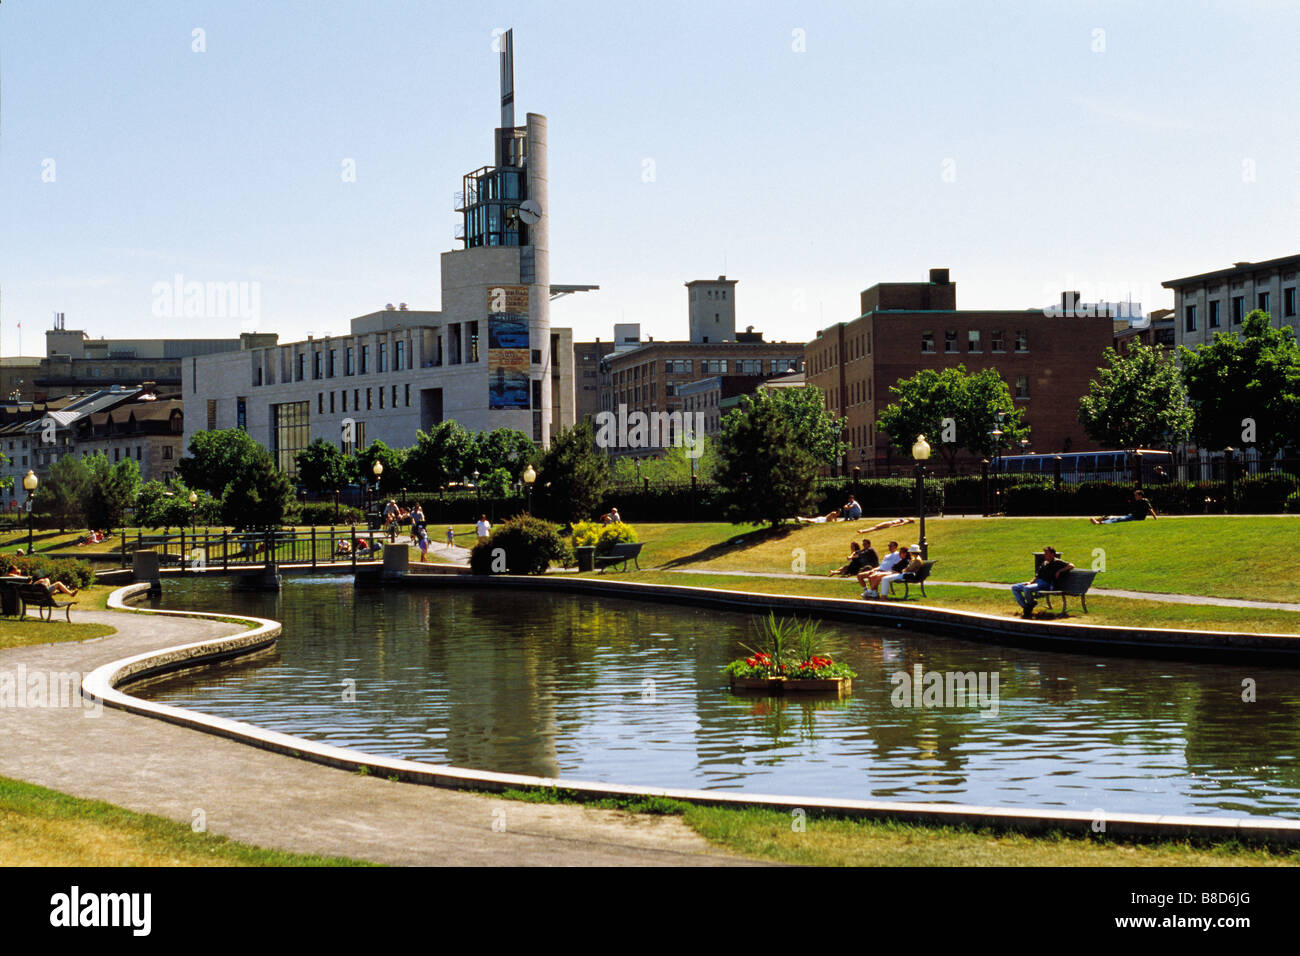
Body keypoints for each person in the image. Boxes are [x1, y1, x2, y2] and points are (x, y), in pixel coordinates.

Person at [1011, 546, 1075, 618]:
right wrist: (1030, 582)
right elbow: (1037, 576)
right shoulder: (1044, 563)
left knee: (1027, 588)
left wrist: (1059, 571)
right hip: (1038, 582)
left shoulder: (1057, 562)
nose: (1045, 555)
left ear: (1052, 554)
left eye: (1046, 553)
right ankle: (1026, 607)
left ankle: (1030, 604)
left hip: (1047, 584)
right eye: (1045, 553)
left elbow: (1071, 565)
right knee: (1015, 587)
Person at [1090, 489, 1158, 525]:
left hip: (1136, 518)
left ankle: (1099, 523)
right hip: (1132, 516)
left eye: (1136, 495)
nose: (1135, 496)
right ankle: (1100, 519)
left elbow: (1150, 510)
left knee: (1118, 520)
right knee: (1115, 517)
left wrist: (1155, 518)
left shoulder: (1145, 501)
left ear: (1140, 496)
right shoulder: (1138, 501)